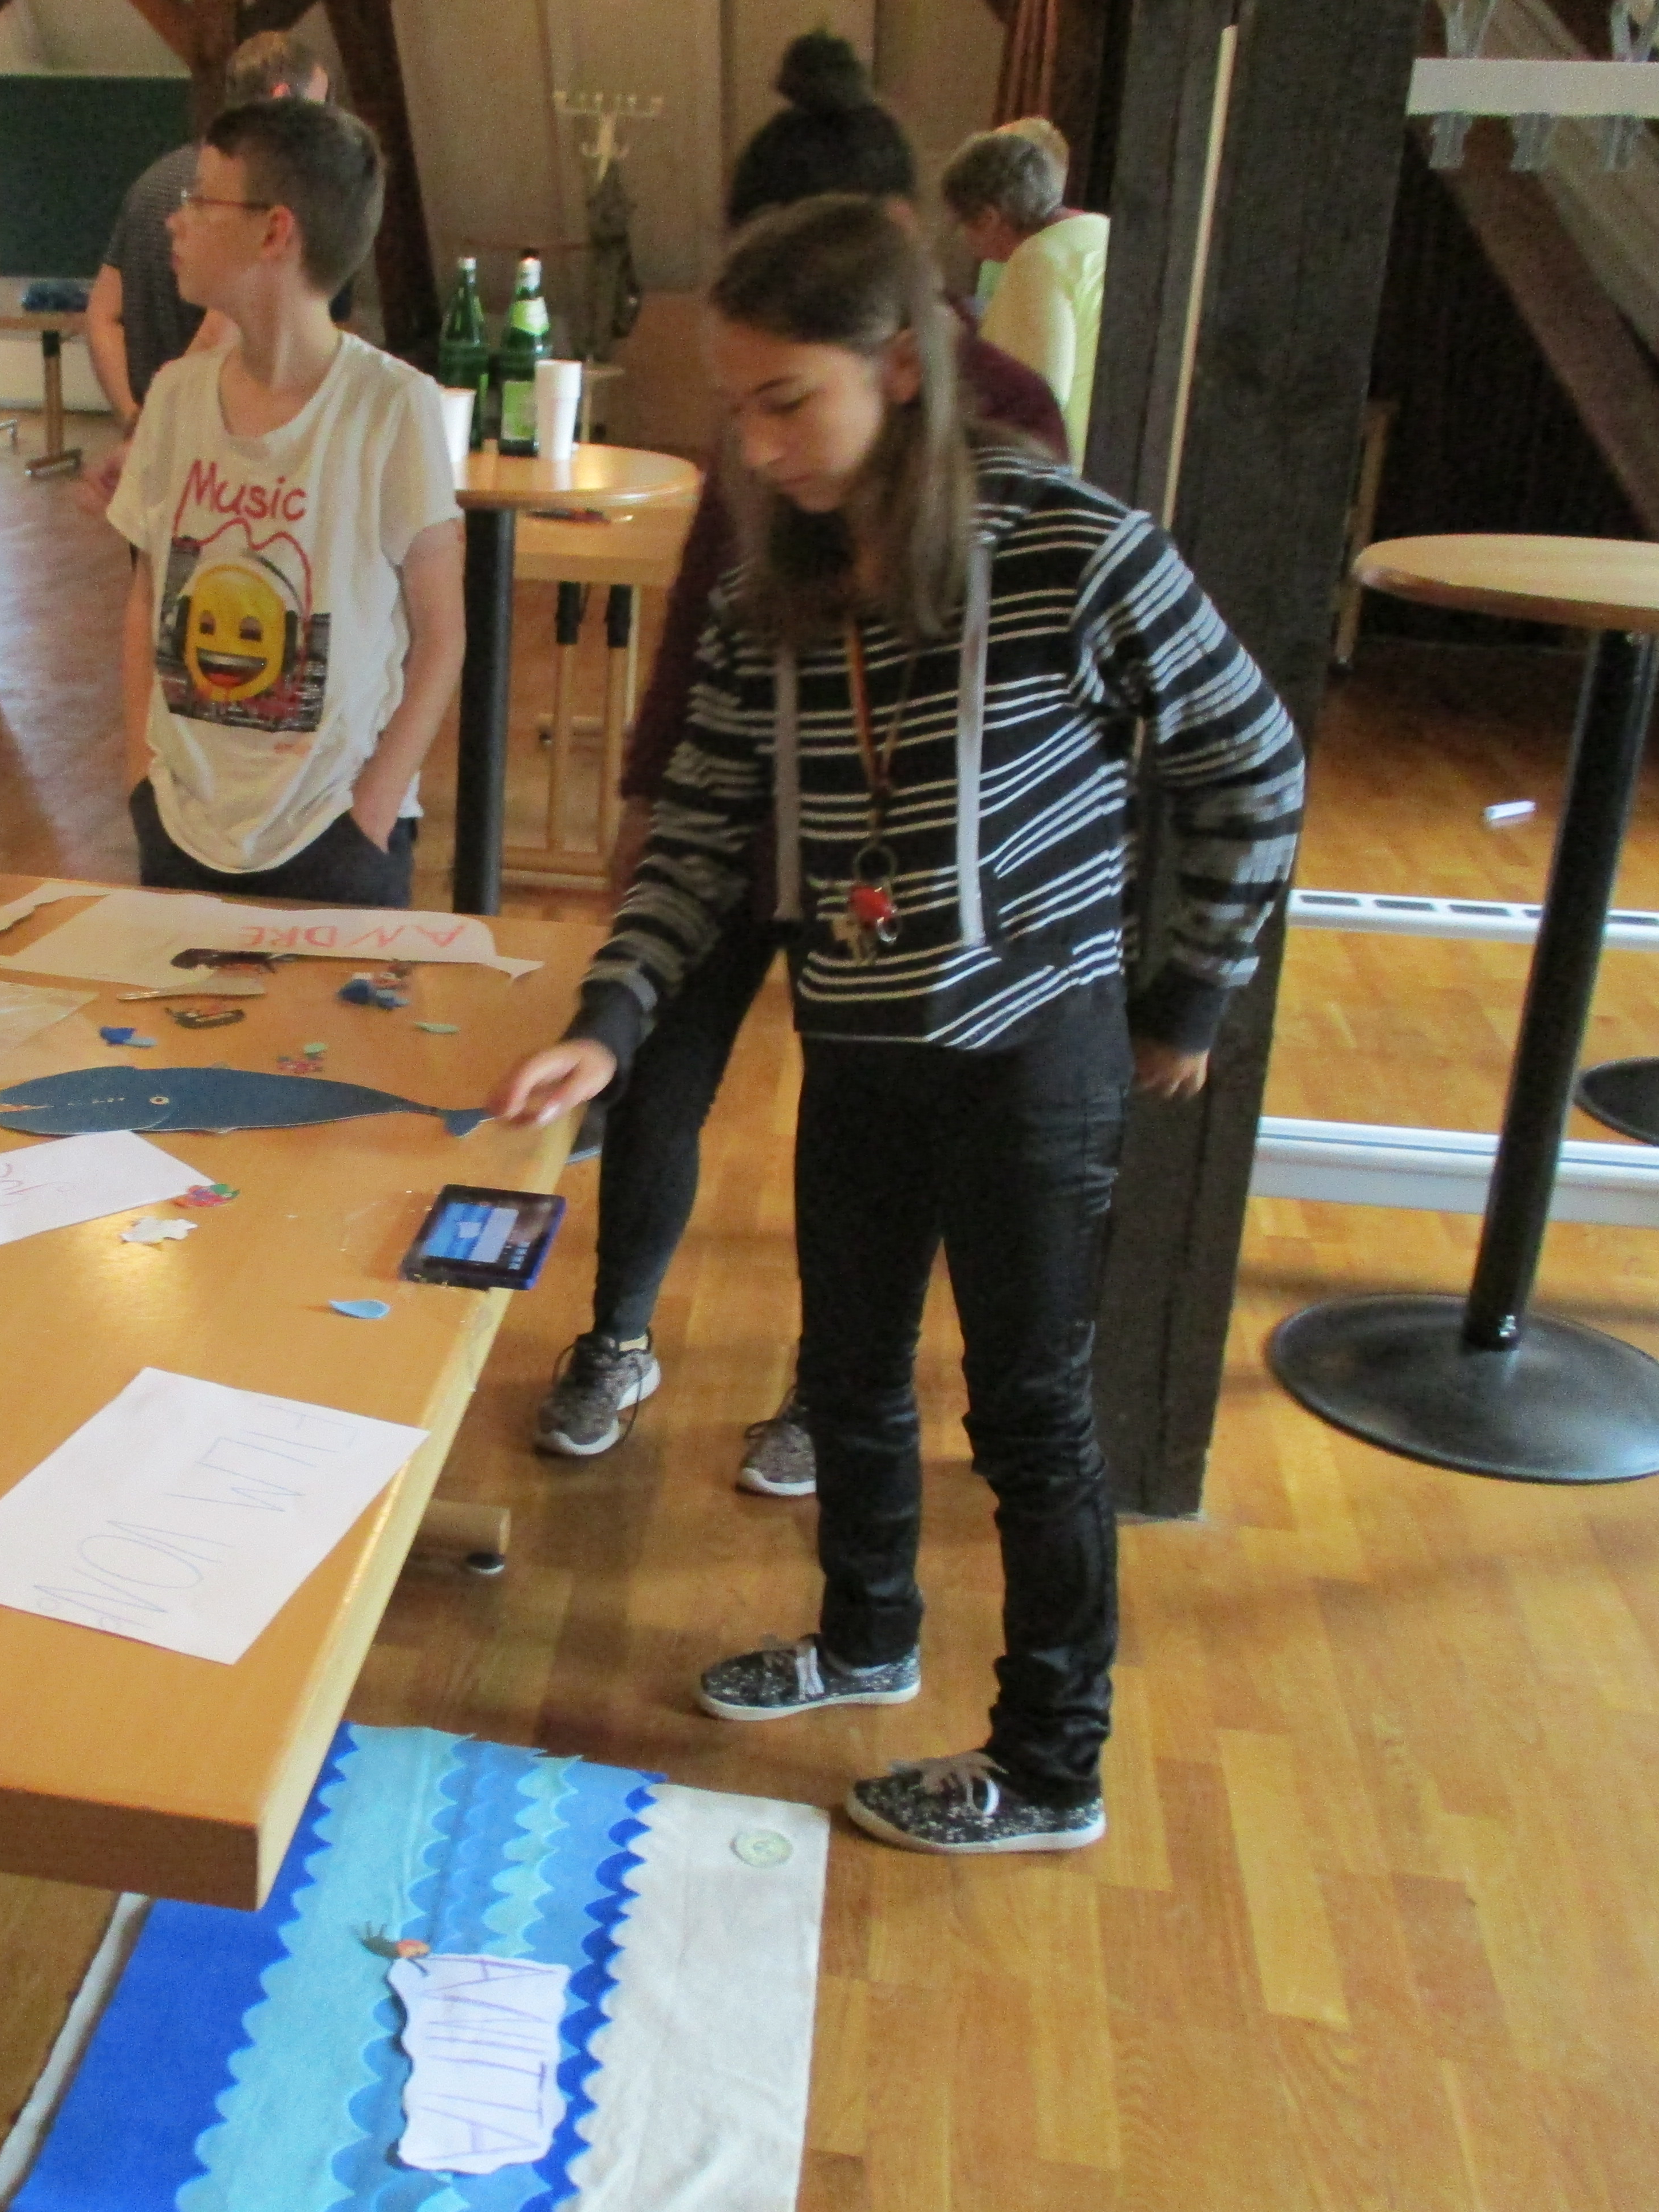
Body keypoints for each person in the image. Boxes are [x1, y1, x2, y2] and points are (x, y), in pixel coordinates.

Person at [489, 195, 1304, 1854]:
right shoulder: (765, 590)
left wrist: (1190, 989)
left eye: (789, 401)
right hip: (857, 1038)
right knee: (848, 1374)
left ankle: (1054, 1768)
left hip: (1034, 1058)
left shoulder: (1078, 549)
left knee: (1031, 1420)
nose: (757, 445)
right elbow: (702, 831)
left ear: (903, 371)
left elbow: (1254, 760)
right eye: (738, 406)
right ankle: (867, 1639)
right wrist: (614, 1018)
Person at [533, 30, 1069, 1486]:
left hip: (882, 861)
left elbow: (1030, 695)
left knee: (860, 1136)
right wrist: (647, 793)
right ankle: (617, 1334)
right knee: (657, 1068)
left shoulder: (1009, 418)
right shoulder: (768, 413)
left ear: (888, 254)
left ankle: (833, 1386)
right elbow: (712, 606)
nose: (763, 434)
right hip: (734, 811)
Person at [108, 98, 462, 909]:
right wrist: (141, 777)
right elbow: (144, 594)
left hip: (335, 833)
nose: (175, 220)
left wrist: (372, 810)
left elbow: (441, 634)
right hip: (180, 823)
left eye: (201, 200)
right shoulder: (174, 397)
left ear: (275, 232)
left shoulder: (391, 406)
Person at [87, 33, 328, 472]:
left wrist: (133, 417)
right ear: (282, 98)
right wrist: (158, 426)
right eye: (319, 105)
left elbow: (102, 315)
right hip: (217, 450)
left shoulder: (150, 183)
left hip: (154, 443)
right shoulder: (260, 202)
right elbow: (220, 329)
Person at [942, 128, 1106, 460]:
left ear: (988, 219)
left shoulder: (1038, 260)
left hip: (1063, 468)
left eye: (961, 223)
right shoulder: (1100, 231)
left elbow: (1029, 407)